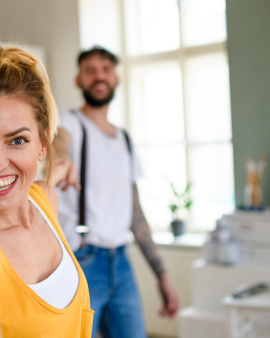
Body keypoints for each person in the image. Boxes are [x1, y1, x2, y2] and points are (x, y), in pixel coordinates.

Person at [0, 42, 93, 337]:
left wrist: (66, 164)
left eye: (17, 141)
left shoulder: (43, 200)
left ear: (41, 144)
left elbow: (58, 164)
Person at [51, 46, 180, 337]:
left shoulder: (125, 141)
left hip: (122, 263)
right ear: (78, 81)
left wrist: (163, 276)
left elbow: (135, 214)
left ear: (116, 78)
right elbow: (57, 141)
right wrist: (62, 157)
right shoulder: (71, 123)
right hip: (81, 261)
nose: (99, 76)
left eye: (106, 69)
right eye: (90, 70)